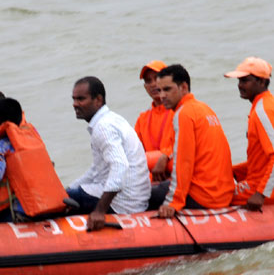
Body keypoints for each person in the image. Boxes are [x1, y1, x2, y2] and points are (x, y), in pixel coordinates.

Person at [67, 76, 151, 230]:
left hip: (123, 204)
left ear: (98, 100)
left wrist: (100, 210)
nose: (75, 104)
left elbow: (120, 166)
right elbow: (95, 171)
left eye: (81, 99)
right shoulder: (110, 120)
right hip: (133, 199)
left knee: (54, 204)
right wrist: (67, 190)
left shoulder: (103, 127)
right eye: (74, 99)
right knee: (65, 195)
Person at [0, 98, 68, 223]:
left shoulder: (1, 145)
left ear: (4, 123)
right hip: (43, 205)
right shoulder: (29, 138)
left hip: (20, 211)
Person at [223, 57, 274, 211]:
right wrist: (233, 171)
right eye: (239, 81)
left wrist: (261, 194)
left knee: (213, 195)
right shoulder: (271, 104)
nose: (240, 85)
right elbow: (263, 158)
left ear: (261, 82)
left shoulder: (263, 110)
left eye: (245, 81)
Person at [155, 64, 235, 217]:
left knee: (147, 194)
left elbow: (184, 162)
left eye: (167, 89)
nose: (162, 96)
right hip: (223, 195)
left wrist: (173, 203)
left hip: (204, 197)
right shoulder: (204, 108)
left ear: (183, 87)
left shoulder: (183, 114)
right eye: (159, 90)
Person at [135, 60, 175, 183]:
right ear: (145, 87)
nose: (153, 84)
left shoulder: (180, 111)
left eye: (156, 78)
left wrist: (164, 157)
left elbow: (188, 143)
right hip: (150, 181)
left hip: (176, 177)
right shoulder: (142, 119)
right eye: (148, 81)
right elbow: (133, 153)